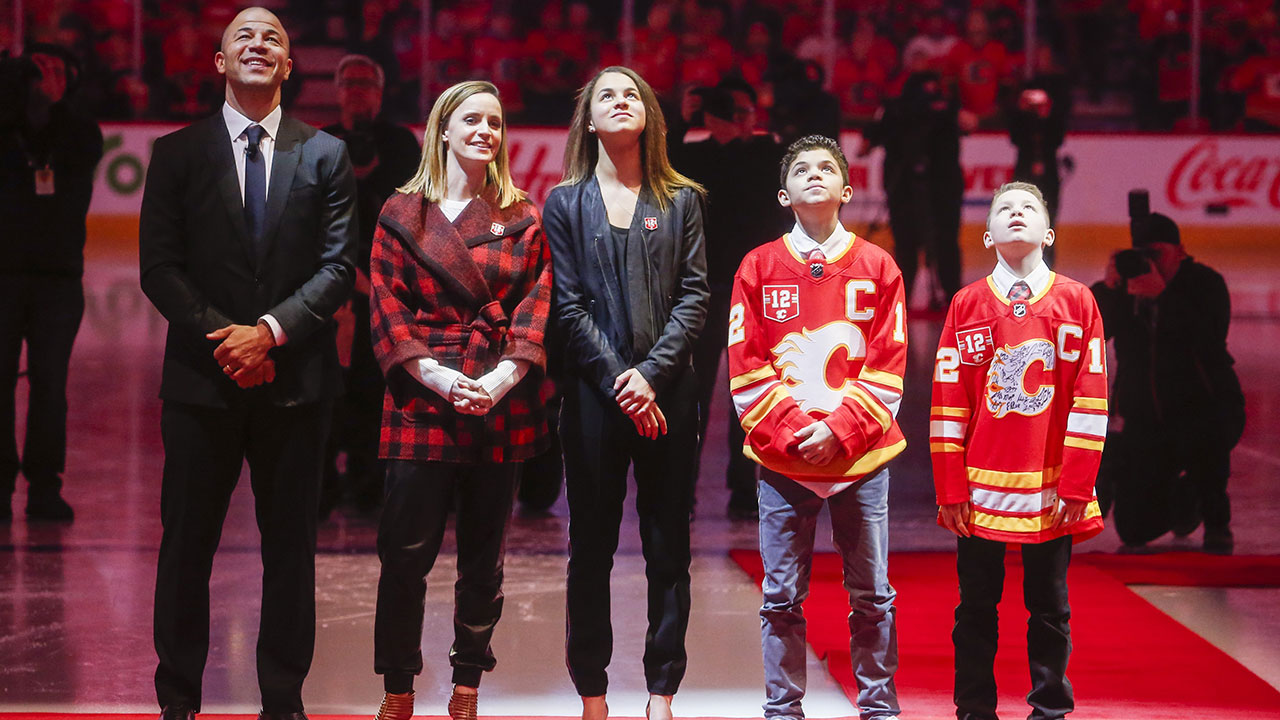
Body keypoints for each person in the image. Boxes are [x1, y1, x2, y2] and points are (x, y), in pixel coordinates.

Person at [138, 8, 356, 720]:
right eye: (244, 37)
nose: (259, 44)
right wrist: (229, 341)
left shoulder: (325, 153)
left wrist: (268, 333)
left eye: (274, 39)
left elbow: (338, 268)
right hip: (202, 385)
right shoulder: (176, 153)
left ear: (290, 66)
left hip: (295, 385)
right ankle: (178, 703)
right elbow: (160, 268)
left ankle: (283, 703)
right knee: (186, 550)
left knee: (289, 551)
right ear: (219, 62)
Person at [367, 80, 553, 720]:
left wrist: (501, 379)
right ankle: (398, 686)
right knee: (405, 558)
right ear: (441, 129)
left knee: (484, 559)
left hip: (499, 400)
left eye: (495, 123)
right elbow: (387, 310)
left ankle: (467, 684)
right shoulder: (402, 211)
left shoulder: (523, 214)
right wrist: (443, 379)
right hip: (423, 399)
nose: (485, 132)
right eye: (471, 120)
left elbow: (536, 309)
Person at [543, 66, 708, 720]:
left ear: (650, 117)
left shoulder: (683, 199)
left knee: (669, 545)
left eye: (631, 93)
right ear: (588, 119)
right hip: (593, 396)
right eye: (606, 94)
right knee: (591, 546)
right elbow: (568, 305)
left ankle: (661, 691)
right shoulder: (563, 202)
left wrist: (653, 375)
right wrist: (620, 378)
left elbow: (695, 298)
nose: (620, 100)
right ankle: (593, 691)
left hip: (668, 393)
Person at [727, 135, 906, 720]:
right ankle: (783, 709)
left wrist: (843, 431)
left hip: (863, 458)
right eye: (800, 170)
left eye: (826, 168)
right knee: (780, 596)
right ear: (784, 193)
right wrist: (800, 432)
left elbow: (889, 361)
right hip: (784, 460)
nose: (813, 176)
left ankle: (878, 707)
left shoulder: (879, 266)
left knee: (873, 595)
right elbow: (745, 364)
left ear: (847, 190)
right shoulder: (757, 265)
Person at [930, 182, 1107, 720]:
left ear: (1049, 232)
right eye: (1004, 208)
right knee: (976, 607)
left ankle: (1050, 707)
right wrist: (950, 488)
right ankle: (975, 708)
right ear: (986, 235)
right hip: (979, 493)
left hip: (1053, 488)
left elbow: (1092, 395)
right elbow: (947, 401)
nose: (1015, 215)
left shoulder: (1077, 300)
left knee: (1050, 606)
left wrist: (1078, 484)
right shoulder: (966, 303)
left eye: (1028, 208)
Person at [1091, 213, 1244, 554]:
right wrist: (1109, 287)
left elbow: (1208, 340)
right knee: (1133, 531)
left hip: (1208, 410)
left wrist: (1163, 298)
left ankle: (1214, 517)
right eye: (1144, 256)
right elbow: (1091, 332)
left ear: (1181, 251)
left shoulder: (1206, 283)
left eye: (1157, 254)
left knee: (1208, 439)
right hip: (1149, 421)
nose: (1151, 264)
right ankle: (1183, 503)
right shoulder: (1130, 288)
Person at [669, 79, 787, 520]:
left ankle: (744, 487)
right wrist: (685, 118)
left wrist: (744, 127)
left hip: (754, 293)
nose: (740, 121)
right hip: (703, 291)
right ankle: (684, 488)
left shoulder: (767, 154)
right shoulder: (697, 157)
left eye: (746, 112)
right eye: (731, 113)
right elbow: (660, 160)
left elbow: (789, 154)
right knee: (692, 396)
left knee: (751, 394)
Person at [0, 43, 103, 521]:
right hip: (4, 275)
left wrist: (49, 99)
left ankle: (44, 486)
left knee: (49, 385)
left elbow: (74, 135)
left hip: (58, 280)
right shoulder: (6, 128)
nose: (45, 79)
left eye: (56, 70)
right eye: (36, 70)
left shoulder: (79, 132)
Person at [319, 54, 419, 516]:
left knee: (375, 382)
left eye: (367, 82)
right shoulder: (319, 142)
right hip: (327, 279)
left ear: (380, 93)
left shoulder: (400, 144)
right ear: (336, 90)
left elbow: (412, 215)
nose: (357, 89)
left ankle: (368, 474)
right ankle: (322, 477)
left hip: (385, 280)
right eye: (349, 81)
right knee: (325, 383)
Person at [862, 70, 967, 309]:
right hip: (906, 187)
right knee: (907, 244)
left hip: (941, 187)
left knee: (943, 243)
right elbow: (874, 134)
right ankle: (903, 298)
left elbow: (967, 124)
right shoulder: (898, 111)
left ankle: (950, 298)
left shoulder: (946, 109)